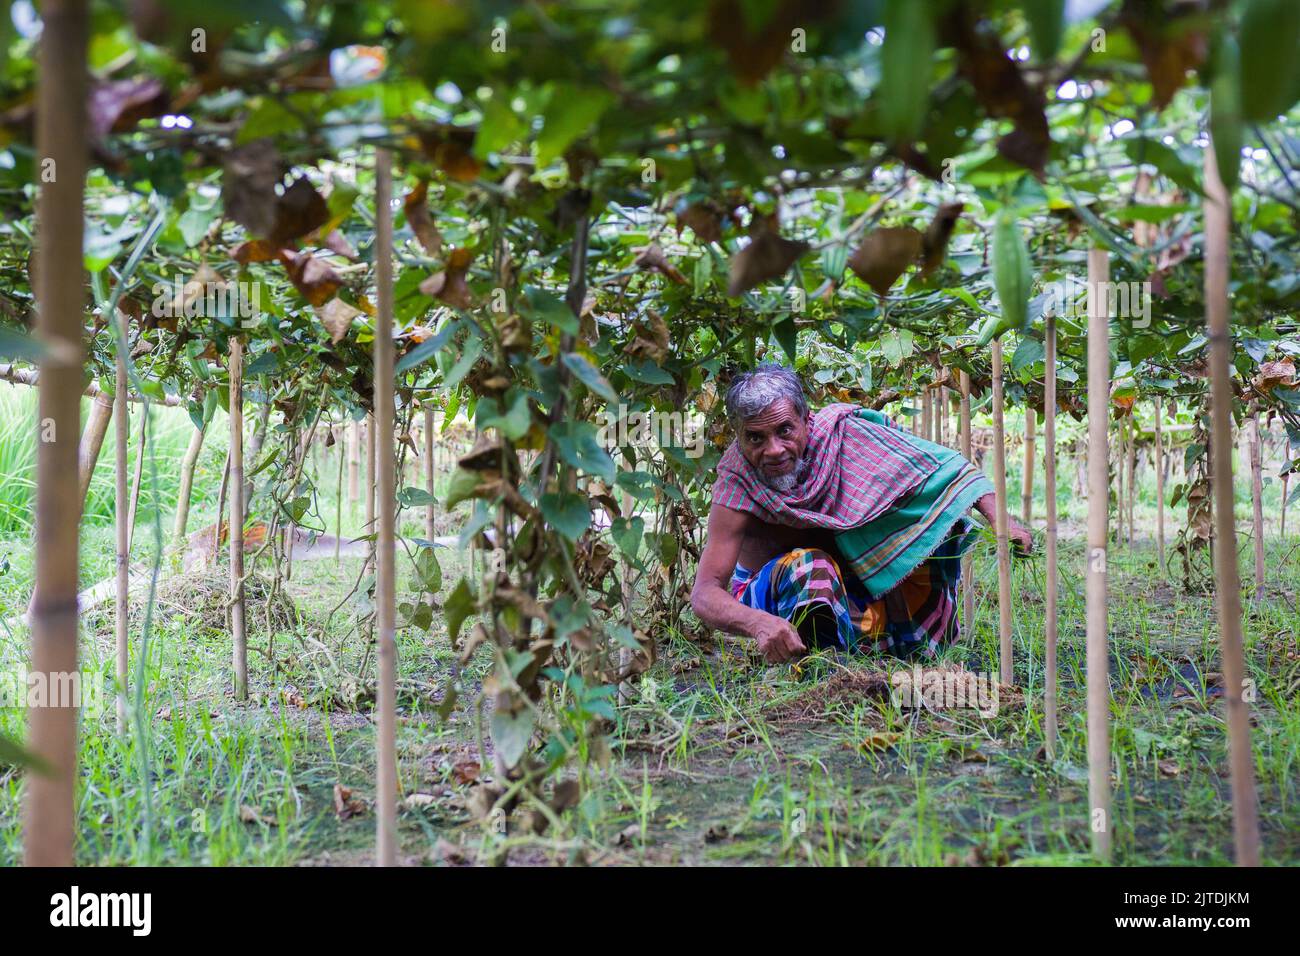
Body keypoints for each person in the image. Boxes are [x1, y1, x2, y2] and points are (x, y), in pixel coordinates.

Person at [690, 363, 1032, 664]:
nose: (774, 450)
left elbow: (945, 470)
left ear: (806, 420)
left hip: (857, 589)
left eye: (784, 431)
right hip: (772, 602)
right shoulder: (737, 481)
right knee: (812, 565)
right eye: (755, 438)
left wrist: (1004, 524)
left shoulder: (845, 435)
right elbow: (706, 591)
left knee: (922, 534)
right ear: (739, 437)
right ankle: (816, 665)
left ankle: (891, 644)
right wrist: (758, 624)